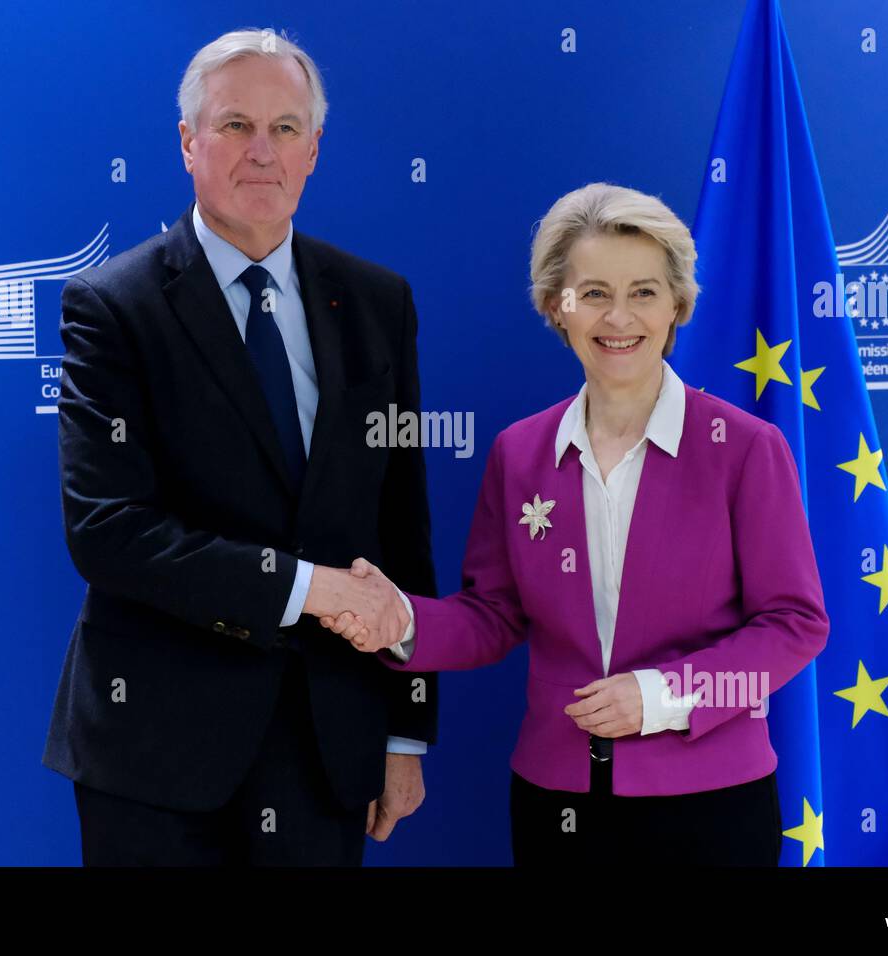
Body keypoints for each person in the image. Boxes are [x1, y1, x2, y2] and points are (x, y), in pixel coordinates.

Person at [322, 182, 829, 865]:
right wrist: (401, 622)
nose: (618, 316)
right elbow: (493, 615)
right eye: (593, 292)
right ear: (557, 306)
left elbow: (794, 623)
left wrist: (660, 696)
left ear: (678, 304)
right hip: (555, 802)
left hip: (713, 805)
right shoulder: (519, 453)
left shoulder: (746, 449)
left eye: (644, 292)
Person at [42, 28, 438, 866]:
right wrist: (310, 588)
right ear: (188, 141)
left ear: (315, 149)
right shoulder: (112, 308)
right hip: (155, 751)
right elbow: (108, 531)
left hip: (327, 744)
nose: (263, 152)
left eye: (286, 128)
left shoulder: (377, 303)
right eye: (234, 126)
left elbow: (401, 522)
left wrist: (405, 731)